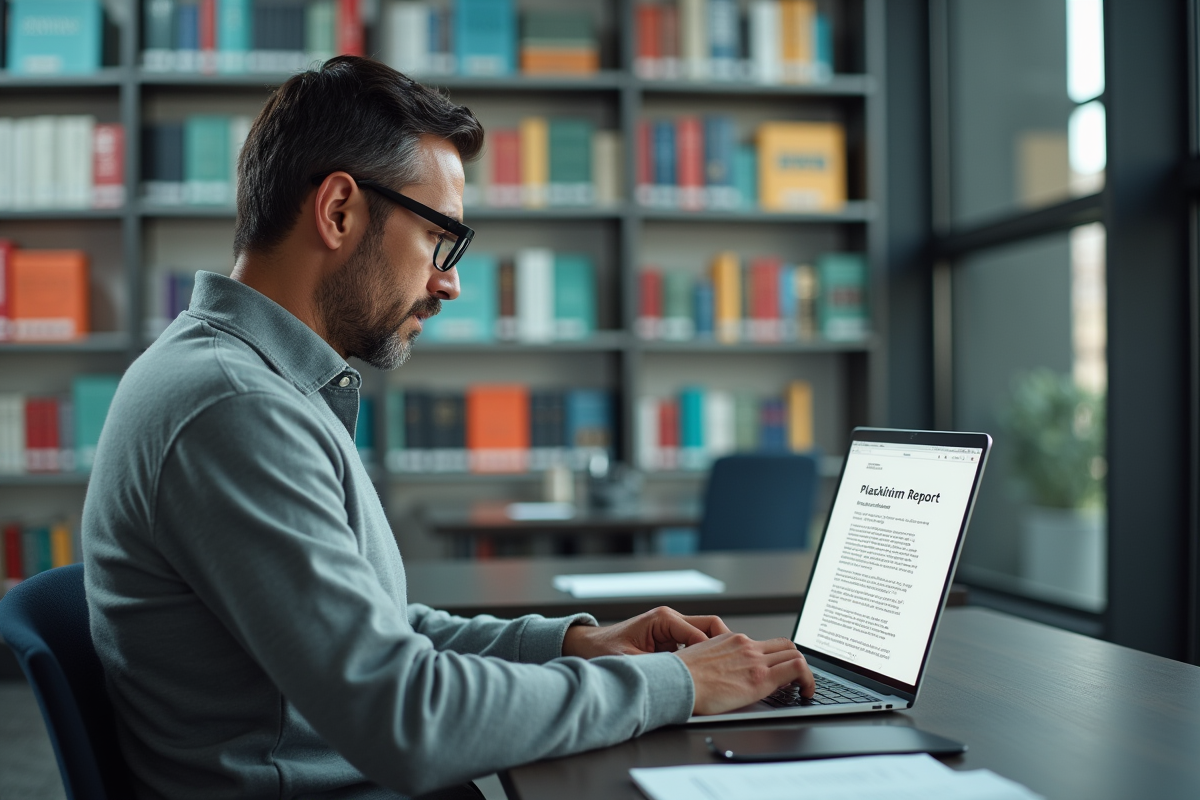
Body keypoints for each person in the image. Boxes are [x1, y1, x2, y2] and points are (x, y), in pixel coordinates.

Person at [82, 56, 814, 800]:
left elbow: (380, 633)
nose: (450, 282)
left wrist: (578, 645)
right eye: (439, 238)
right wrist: (677, 684)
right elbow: (407, 715)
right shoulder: (236, 406)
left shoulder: (254, 382)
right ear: (339, 211)